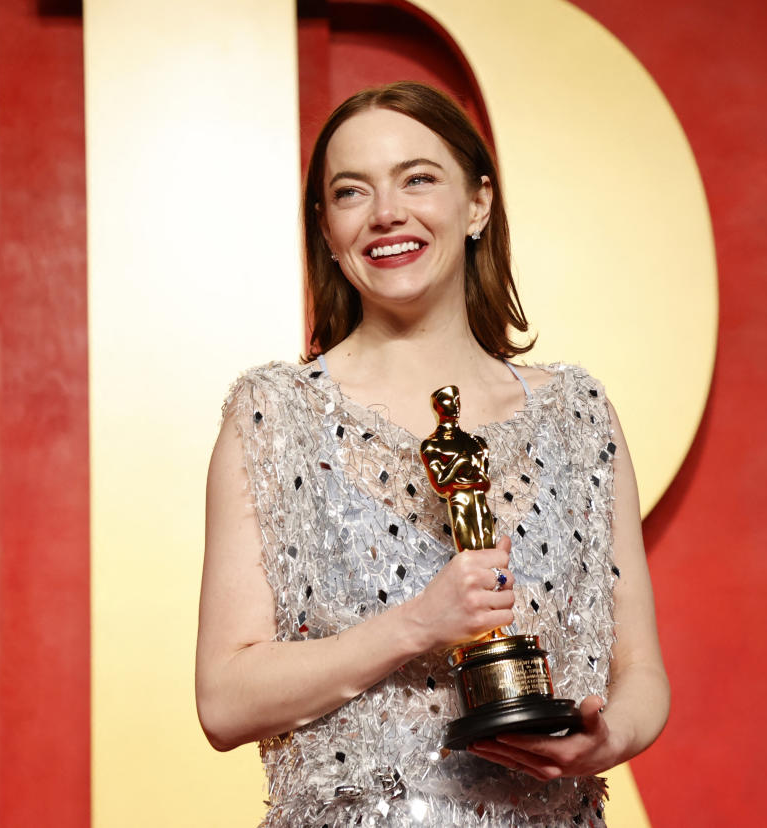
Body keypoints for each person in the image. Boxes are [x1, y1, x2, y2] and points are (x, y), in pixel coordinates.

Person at [195, 81, 669, 827]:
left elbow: (640, 672)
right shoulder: (272, 416)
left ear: (478, 202)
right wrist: (418, 624)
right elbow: (224, 700)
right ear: (326, 229)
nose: (388, 213)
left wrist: (609, 738)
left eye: (418, 178)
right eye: (352, 191)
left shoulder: (579, 414)